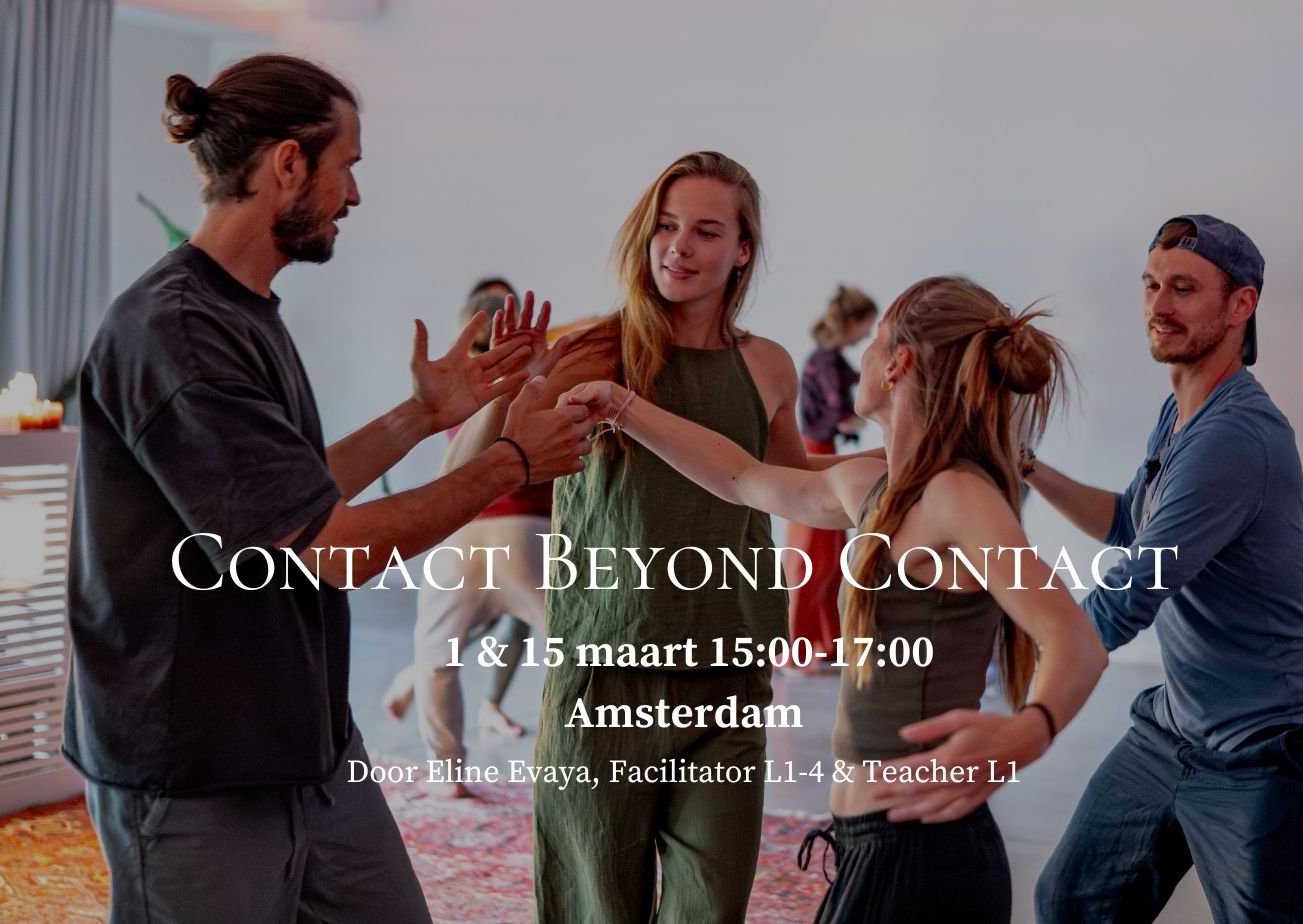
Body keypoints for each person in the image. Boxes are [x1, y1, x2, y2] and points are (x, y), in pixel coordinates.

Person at [64, 54, 592, 924]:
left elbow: (289, 498)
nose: (354, 194)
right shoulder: (180, 332)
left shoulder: (239, 311)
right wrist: (511, 464)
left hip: (303, 746)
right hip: (195, 766)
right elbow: (332, 550)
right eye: (347, 166)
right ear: (287, 164)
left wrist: (423, 416)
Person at [562, 275, 1108, 923]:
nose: (864, 357)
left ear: (898, 363)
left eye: (874, 342)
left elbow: (1075, 640)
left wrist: (1028, 733)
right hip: (871, 846)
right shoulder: (876, 488)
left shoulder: (957, 496)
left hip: (923, 855)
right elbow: (743, 478)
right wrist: (621, 406)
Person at [443, 151, 860, 922]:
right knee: (595, 905)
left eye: (706, 231)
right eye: (666, 227)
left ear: (743, 250)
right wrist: (506, 389)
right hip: (606, 667)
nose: (679, 247)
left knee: (711, 905)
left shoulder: (768, 365)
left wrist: (915, 466)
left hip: (727, 668)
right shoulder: (589, 349)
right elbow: (464, 475)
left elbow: (790, 483)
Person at [1002, 216, 1303, 922]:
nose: (1158, 305)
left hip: (1270, 746)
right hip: (1176, 729)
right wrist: (1027, 467)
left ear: (1241, 305)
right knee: (1072, 901)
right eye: (1152, 285)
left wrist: (1024, 677)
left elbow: (1134, 589)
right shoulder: (1181, 412)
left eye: (1184, 289)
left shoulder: (1235, 436)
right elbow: (1131, 522)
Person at [380, 278, 556, 797]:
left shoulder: (458, 388)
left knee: (437, 656)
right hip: (528, 533)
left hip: (460, 535)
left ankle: (447, 773)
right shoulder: (542, 381)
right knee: (576, 652)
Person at [787, 285, 878, 663]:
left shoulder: (832, 360)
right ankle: (801, 645)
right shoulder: (826, 362)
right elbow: (841, 413)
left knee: (828, 553)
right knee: (813, 552)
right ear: (852, 322)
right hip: (816, 453)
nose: (868, 335)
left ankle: (824, 641)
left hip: (822, 452)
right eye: (867, 325)